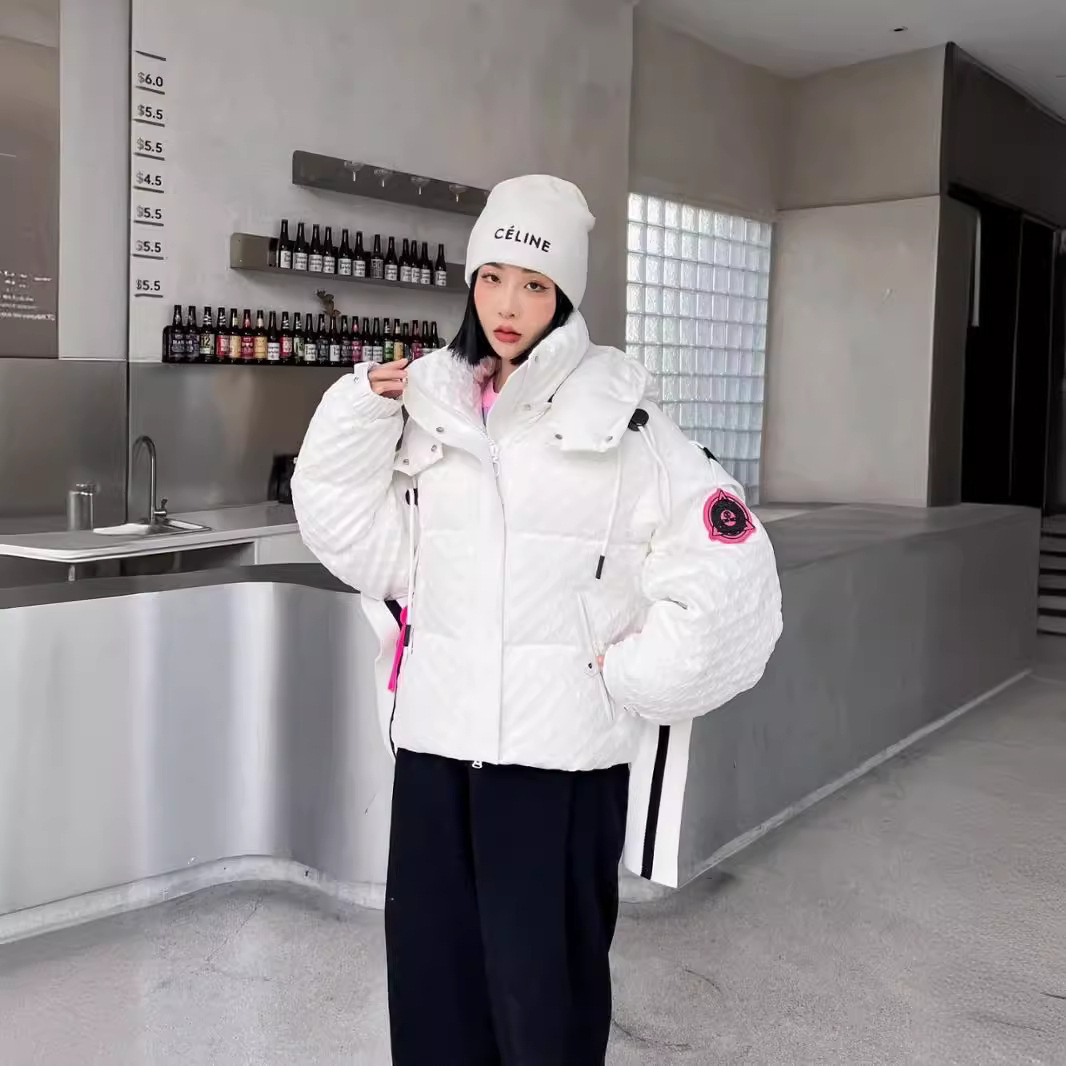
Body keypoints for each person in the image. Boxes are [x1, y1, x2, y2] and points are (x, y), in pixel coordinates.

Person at [292, 175, 783, 1065]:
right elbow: (362, 541)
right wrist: (357, 413)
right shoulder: (430, 406)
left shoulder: (625, 421)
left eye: (533, 284)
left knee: (542, 1006)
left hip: (556, 769)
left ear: (564, 295)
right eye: (491, 278)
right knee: (434, 996)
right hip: (438, 754)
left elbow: (733, 567)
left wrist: (632, 674)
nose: (507, 305)